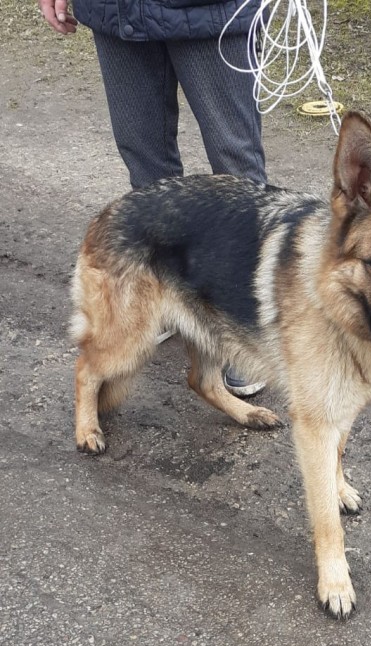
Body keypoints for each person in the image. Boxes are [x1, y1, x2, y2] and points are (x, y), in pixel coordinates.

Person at [39, 0, 266, 397]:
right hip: (117, 11)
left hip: (210, 12)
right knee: (146, 169)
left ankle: (244, 326)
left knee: (236, 172)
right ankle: (164, 304)